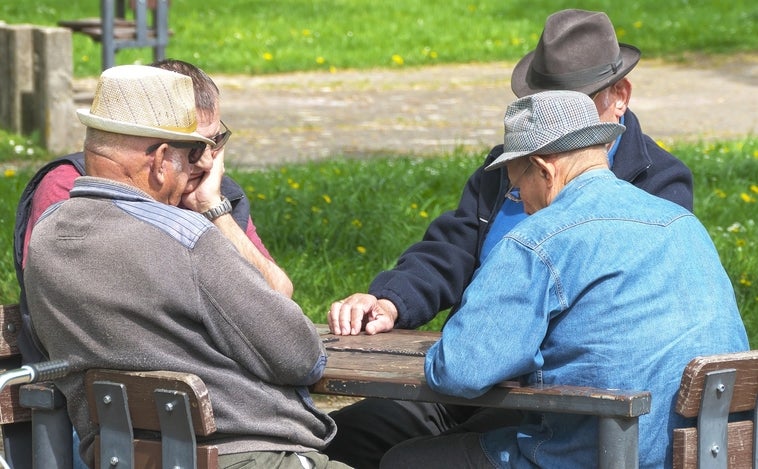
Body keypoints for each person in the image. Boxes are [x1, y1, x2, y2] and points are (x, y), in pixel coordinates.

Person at [324, 9, 694, 468]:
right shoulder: (514, 166)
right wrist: (392, 300)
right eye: (543, 101)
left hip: (569, 405)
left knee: (412, 460)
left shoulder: (648, 188)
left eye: (573, 102)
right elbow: (454, 245)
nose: (554, 117)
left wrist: (487, 349)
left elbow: (628, 331)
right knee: (345, 435)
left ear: (620, 96)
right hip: (490, 381)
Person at [379, 90, 748, 469]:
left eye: (516, 187)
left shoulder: (539, 240)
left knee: (403, 460)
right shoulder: (682, 223)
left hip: (599, 454)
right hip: (709, 453)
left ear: (544, 168)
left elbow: (460, 371)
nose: (519, 201)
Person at [23, 64, 349, 469]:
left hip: (120, 458)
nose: (205, 165)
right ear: (161, 161)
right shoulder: (185, 237)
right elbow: (301, 354)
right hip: (245, 454)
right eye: (194, 152)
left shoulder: (47, 237)